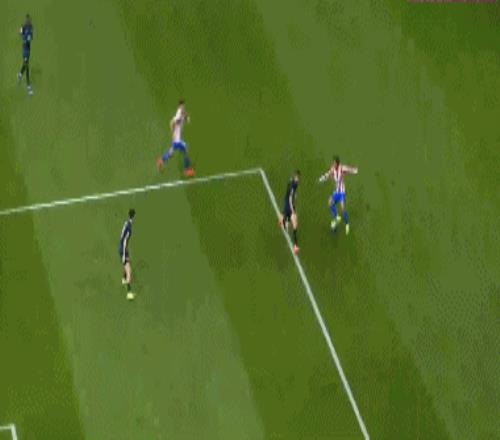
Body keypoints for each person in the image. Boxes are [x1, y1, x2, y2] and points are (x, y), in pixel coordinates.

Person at [319, 156, 358, 235]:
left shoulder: (342, 168)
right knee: (330, 203)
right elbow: (328, 174)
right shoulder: (333, 169)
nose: (333, 164)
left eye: (334, 163)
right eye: (333, 163)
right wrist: (323, 178)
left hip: (342, 192)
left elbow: (348, 169)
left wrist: (354, 170)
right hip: (337, 192)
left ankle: (347, 224)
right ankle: (337, 217)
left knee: (343, 208)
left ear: (338, 163)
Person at [157, 100, 195, 177]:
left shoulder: (181, 113)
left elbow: (183, 116)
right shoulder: (178, 115)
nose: (183, 108)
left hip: (177, 140)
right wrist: (173, 133)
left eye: (184, 106)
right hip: (177, 140)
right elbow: (172, 122)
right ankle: (187, 170)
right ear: (179, 106)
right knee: (185, 150)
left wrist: (187, 117)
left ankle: (161, 161)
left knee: (171, 152)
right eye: (182, 106)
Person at [279, 170, 300, 254]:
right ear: (295, 177)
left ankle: (283, 220)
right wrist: (293, 210)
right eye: (297, 177)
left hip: (287, 203)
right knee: (294, 224)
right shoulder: (293, 185)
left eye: (299, 177)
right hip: (289, 205)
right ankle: (295, 247)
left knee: (293, 223)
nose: (298, 179)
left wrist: (294, 194)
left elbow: (290, 193)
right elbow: (291, 198)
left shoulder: (292, 181)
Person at [119, 209, 136, 300]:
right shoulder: (129, 228)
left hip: (122, 248)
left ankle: (123, 279)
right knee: (129, 271)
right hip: (124, 250)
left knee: (127, 264)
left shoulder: (126, 223)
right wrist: (124, 255)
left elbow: (121, 235)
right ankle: (129, 293)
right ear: (134, 216)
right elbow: (125, 241)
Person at [18, 14, 34, 96]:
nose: (28, 21)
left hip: (28, 50)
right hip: (25, 50)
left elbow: (31, 37)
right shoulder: (23, 26)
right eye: (27, 20)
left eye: (29, 20)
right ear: (26, 20)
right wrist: (23, 35)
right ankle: (28, 87)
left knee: (25, 64)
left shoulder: (31, 27)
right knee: (27, 66)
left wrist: (28, 37)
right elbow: (20, 32)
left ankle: (20, 74)